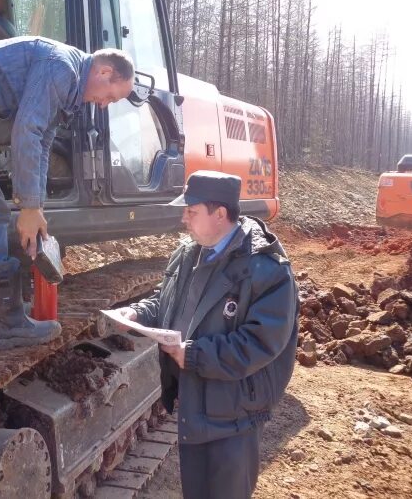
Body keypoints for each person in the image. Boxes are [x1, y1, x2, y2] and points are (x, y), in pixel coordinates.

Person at [0, 36, 135, 350]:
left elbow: (42, 144)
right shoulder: (62, 68)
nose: (104, 104)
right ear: (104, 72)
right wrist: (28, 208)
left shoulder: (69, 86)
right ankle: (7, 325)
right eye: (111, 97)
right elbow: (27, 131)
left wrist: (37, 209)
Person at [115, 170, 299, 499]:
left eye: (192, 210)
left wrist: (195, 354)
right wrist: (139, 312)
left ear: (220, 214)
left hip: (235, 416)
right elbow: (166, 299)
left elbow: (260, 343)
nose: (183, 218)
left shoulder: (268, 271)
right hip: (193, 405)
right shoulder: (188, 255)